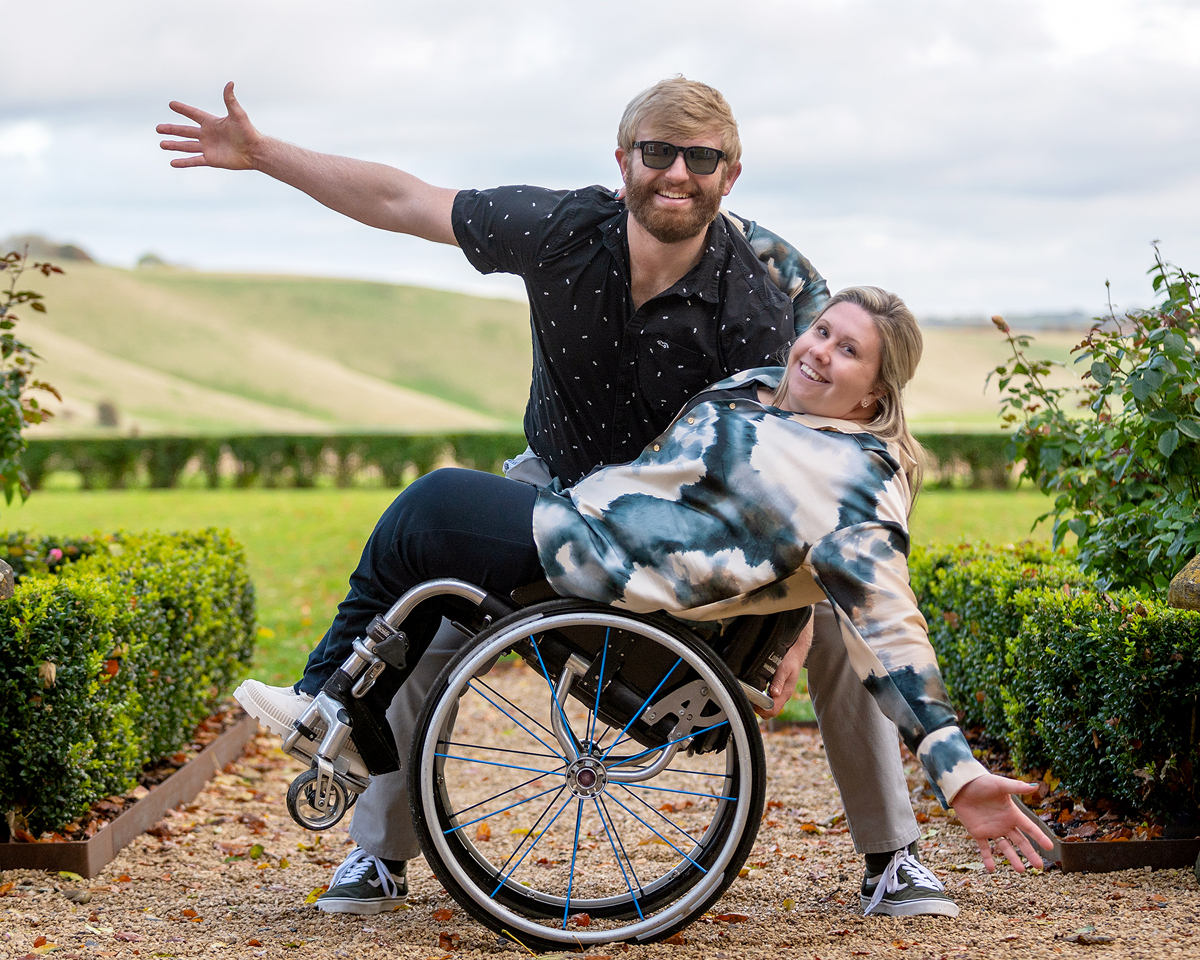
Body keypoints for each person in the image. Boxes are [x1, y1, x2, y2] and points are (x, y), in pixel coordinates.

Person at [159, 78, 946, 917]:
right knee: (431, 599)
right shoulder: (561, 229)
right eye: (658, 152)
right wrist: (262, 153)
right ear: (624, 160)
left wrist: (795, 623)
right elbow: (402, 200)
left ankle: (892, 855)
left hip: (687, 529)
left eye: (701, 158)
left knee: (839, 626)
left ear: (730, 175)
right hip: (560, 489)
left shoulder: (760, 307)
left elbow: (828, 475)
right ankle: (378, 852)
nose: (678, 173)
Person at [234, 287, 1053, 925]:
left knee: (430, 508)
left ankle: (329, 703)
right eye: (821, 331)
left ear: (875, 393)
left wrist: (956, 772)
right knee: (431, 557)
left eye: (849, 351)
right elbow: (768, 265)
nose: (818, 351)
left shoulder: (857, 486)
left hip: (611, 575)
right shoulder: (765, 392)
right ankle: (344, 719)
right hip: (597, 537)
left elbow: (891, 625)